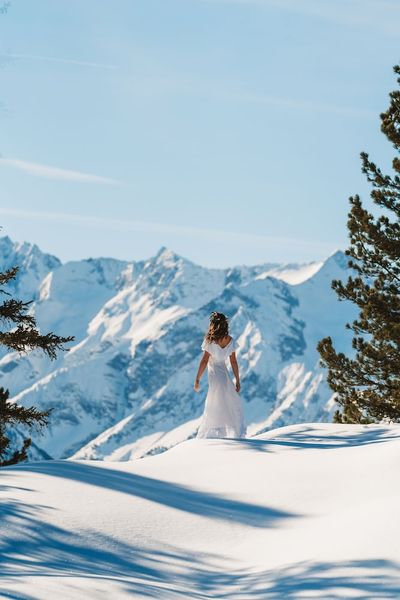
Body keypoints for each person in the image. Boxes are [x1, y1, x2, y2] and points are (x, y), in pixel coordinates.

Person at [194, 311, 246, 439]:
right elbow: (233, 362)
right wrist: (237, 380)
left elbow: (204, 361)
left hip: (215, 377)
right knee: (228, 402)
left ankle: (214, 435)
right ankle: (231, 431)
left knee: (214, 403)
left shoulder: (210, 341)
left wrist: (197, 379)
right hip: (225, 377)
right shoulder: (230, 341)